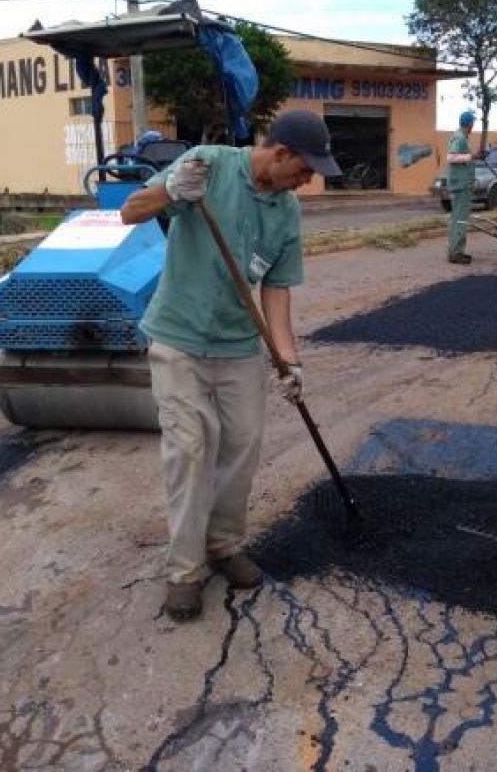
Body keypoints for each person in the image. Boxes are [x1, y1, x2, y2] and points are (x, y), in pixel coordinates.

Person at [120, 109, 340, 622]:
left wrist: (289, 361)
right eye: (305, 170)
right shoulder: (209, 165)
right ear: (280, 153)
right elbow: (131, 211)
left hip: (239, 348)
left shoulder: (286, 211)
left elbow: (277, 291)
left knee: (242, 445)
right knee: (191, 449)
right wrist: (172, 189)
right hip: (179, 341)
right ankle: (184, 571)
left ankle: (223, 545)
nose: (308, 181)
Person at [445, 110, 483, 264]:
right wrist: (471, 156)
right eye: (472, 123)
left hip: (460, 183)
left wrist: (474, 156)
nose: (473, 126)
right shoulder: (460, 138)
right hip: (460, 184)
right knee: (460, 219)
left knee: (457, 219)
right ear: (469, 124)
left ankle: (456, 250)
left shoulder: (461, 137)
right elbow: (451, 157)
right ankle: (456, 253)